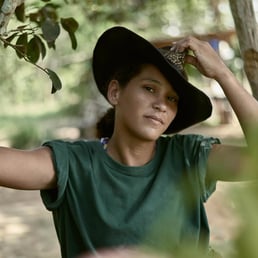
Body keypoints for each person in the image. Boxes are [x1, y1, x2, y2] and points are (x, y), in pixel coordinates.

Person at [0, 26, 258, 258]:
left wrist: (223, 75)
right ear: (116, 92)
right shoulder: (75, 164)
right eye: (149, 88)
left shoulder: (188, 157)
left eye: (172, 99)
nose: (160, 105)